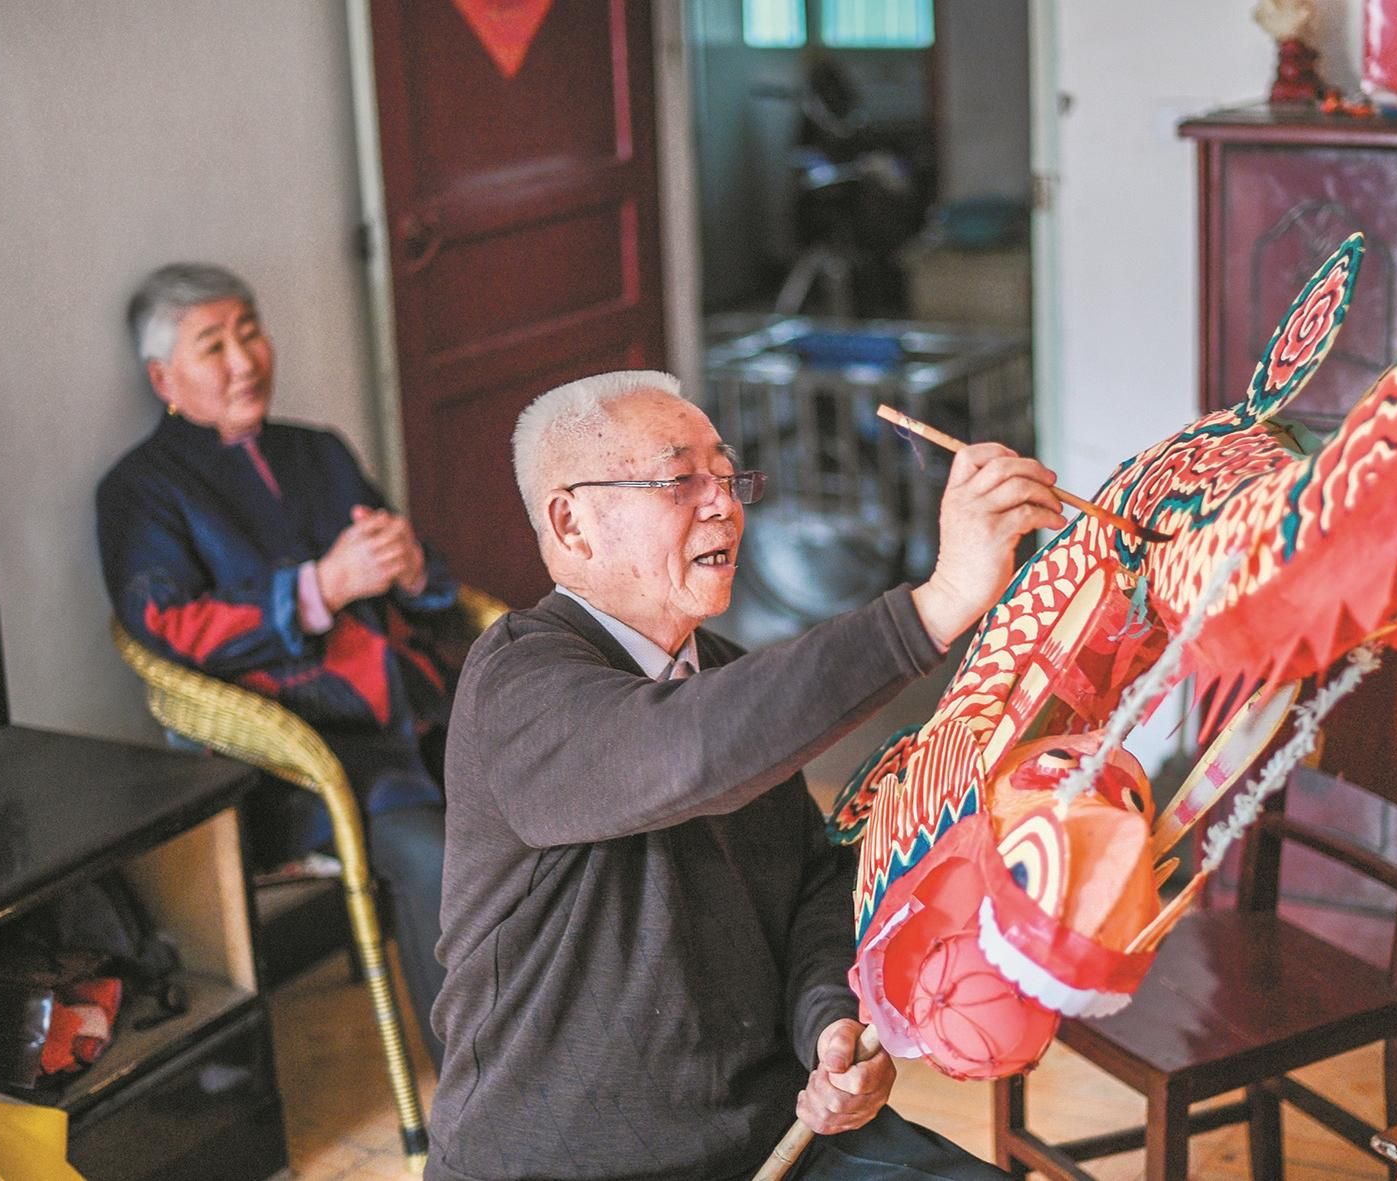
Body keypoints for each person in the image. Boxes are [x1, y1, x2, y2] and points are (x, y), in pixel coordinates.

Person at [428, 370, 1064, 1181]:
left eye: (728, 479)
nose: (723, 505)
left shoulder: (723, 674)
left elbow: (811, 884)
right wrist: (936, 605)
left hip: (772, 1136)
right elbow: (690, 751)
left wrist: (828, 1025)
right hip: (558, 1162)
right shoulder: (517, 680)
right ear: (571, 522)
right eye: (678, 481)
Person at [96, 262, 454, 1066]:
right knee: (438, 856)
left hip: (419, 706)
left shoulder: (317, 451)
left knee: (558, 786)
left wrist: (410, 568)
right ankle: (483, 1096)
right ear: (163, 379)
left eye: (249, 331)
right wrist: (320, 588)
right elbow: (167, 626)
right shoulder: (140, 491)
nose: (244, 360)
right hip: (304, 754)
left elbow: (426, 578)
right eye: (213, 344)